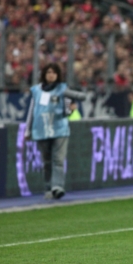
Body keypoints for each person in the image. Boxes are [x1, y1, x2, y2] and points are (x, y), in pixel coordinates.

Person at [24, 63, 86, 199]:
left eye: (53, 72)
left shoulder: (63, 89)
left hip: (59, 129)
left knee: (58, 160)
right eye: (48, 72)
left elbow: (67, 110)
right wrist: (27, 130)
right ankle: (48, 187)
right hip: (41, 130)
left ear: (58, 75)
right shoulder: (36, 91)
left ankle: (57, 187)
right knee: (46, 161)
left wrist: (71, 109)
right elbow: (31, 111)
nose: (51, 75)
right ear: (44, 75)